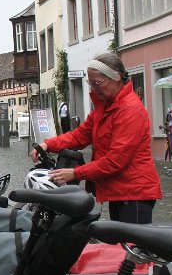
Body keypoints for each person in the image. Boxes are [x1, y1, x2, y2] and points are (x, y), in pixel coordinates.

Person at [31, 52, 162, 224]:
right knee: (120, 246)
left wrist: (76, 173)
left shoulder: (130, 110)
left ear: (116, 78)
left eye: (97, 83)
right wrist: (48, 144)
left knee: (131, 247)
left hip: (135, 191)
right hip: (121, 191)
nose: (93, 89)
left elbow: (116, 161)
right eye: (90, 83)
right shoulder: (105, 106)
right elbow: (80, 135)